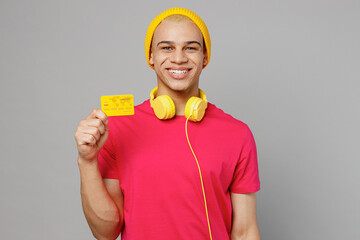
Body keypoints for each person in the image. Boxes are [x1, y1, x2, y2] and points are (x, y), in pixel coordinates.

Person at [75, 7, 260, 240]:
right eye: (167, 47)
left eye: (190, 48)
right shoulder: (118, 128)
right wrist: (87, 161)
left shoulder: (237, 134)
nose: (179, 58)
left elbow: (244, 232)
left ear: (205, 58)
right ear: (151, 56)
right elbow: (105, 233)